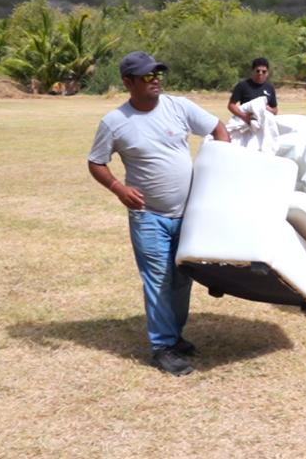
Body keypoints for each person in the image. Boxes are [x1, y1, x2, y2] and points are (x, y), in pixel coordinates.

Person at [87, 51, 231, 376]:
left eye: (158, 75)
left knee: (181, 279)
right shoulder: (115, 122)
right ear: (128, 82)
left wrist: (224, 174)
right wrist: (118, 189)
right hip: (148, 215)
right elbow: (96, 162)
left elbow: (219, 129)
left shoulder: (178, 106)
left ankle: (175, 336)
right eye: (147, 76)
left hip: (188, 216)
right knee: (158, 279)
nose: (155, 81)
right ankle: (162, 347)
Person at [228, 57, 278, 126]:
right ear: (252, 71)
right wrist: (244, 116)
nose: (260, 73)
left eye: (264, 71)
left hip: (264, 124)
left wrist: (269, 109)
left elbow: (275, 110)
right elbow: (231, 105)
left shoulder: (269, 87)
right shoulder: (242, 85)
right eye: (258, 71)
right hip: (246, 122)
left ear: (267, 73)